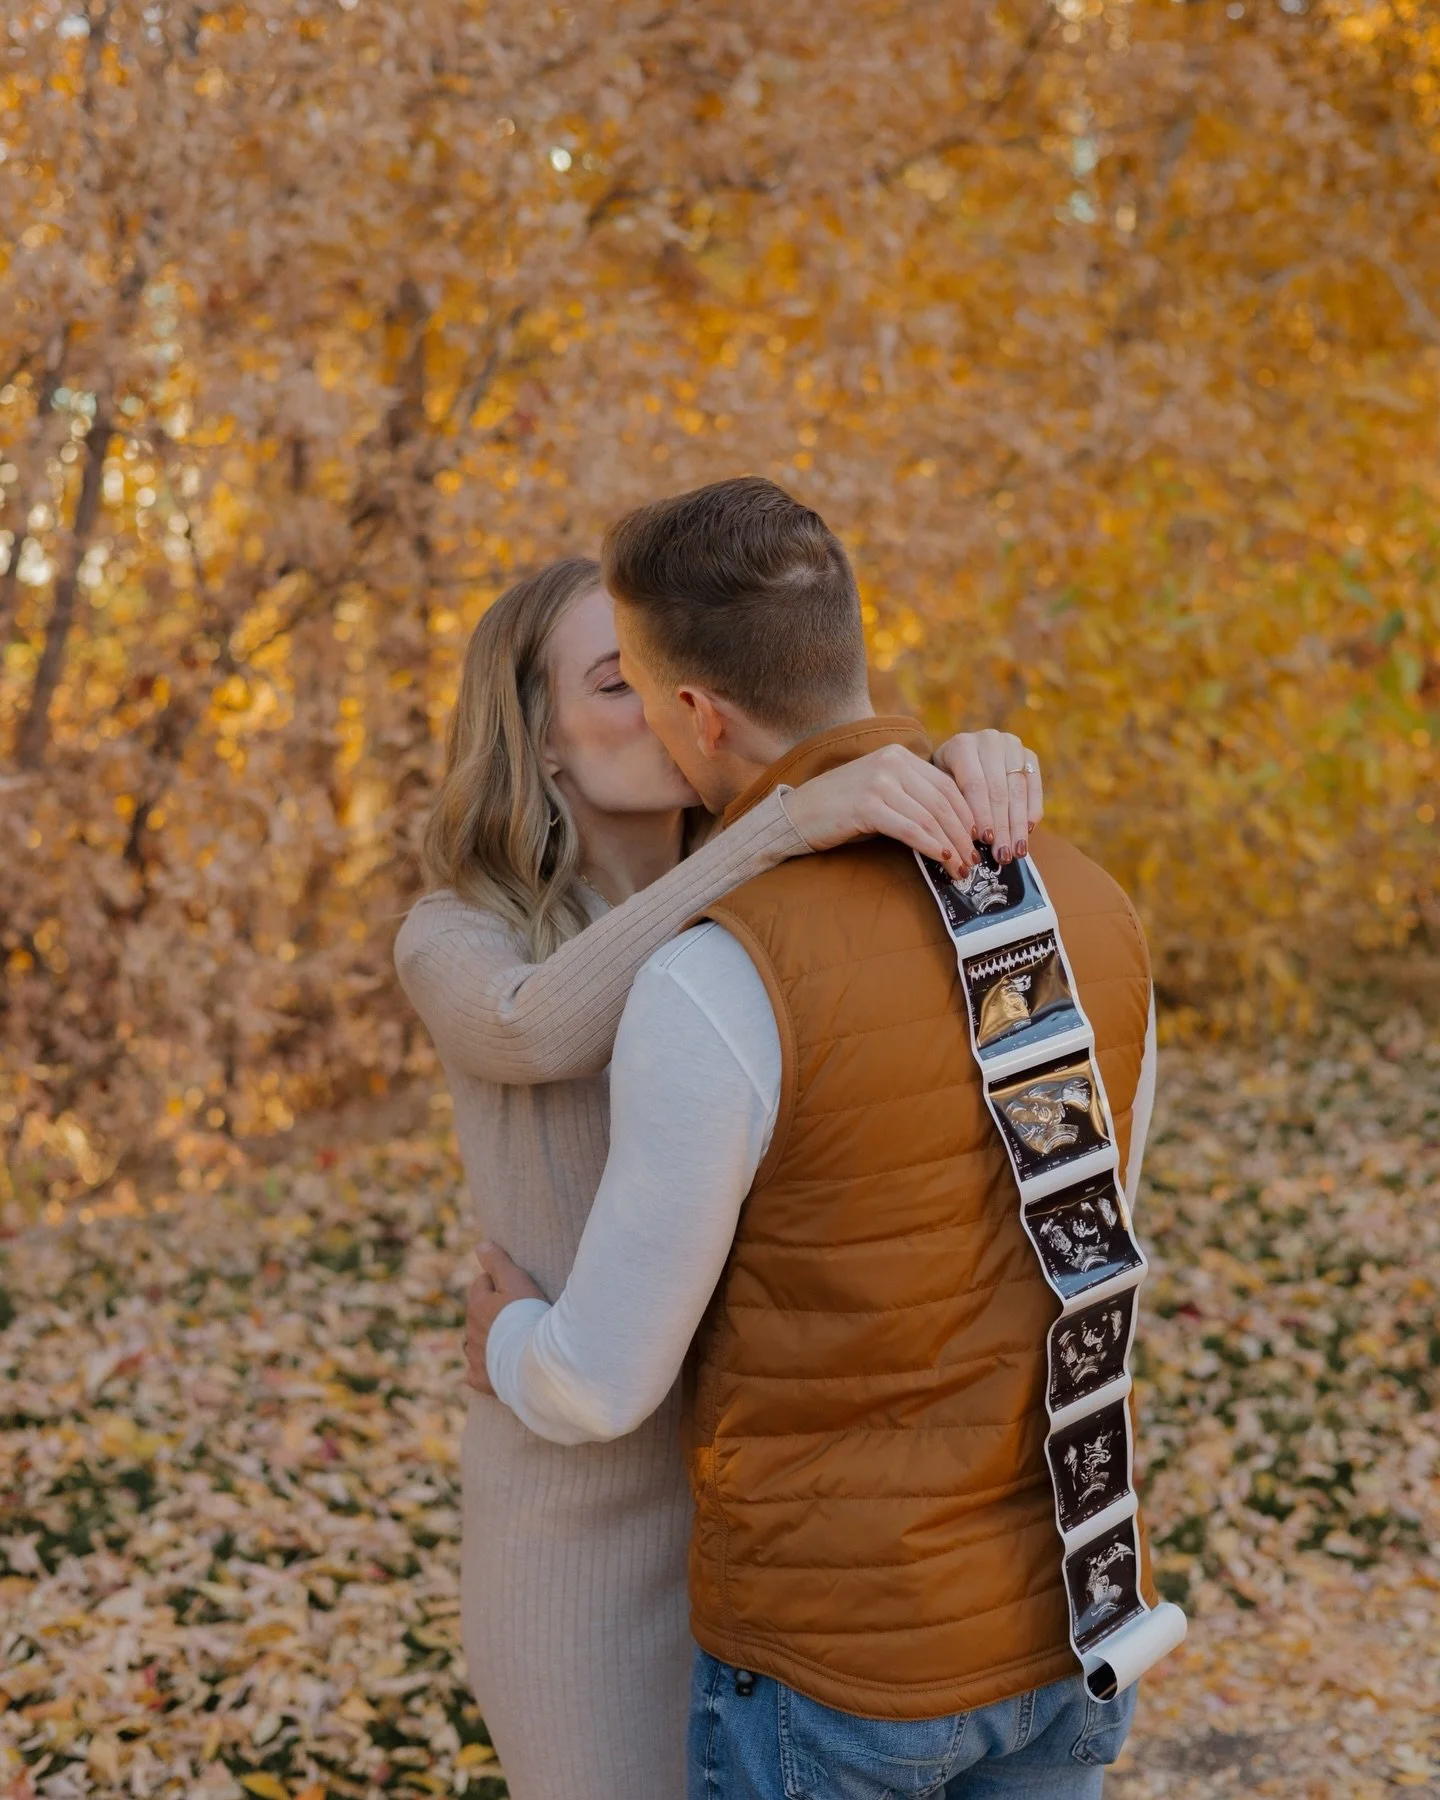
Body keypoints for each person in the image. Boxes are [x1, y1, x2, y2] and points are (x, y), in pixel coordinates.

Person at [467, 480, 1161, 1799]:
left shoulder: (721, 978)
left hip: (840, 1683)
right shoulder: (1095, 909)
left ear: (696, 714)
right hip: (1063, 1621)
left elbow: (600, 1382)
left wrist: (501, 1334)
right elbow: (1090, 1233)